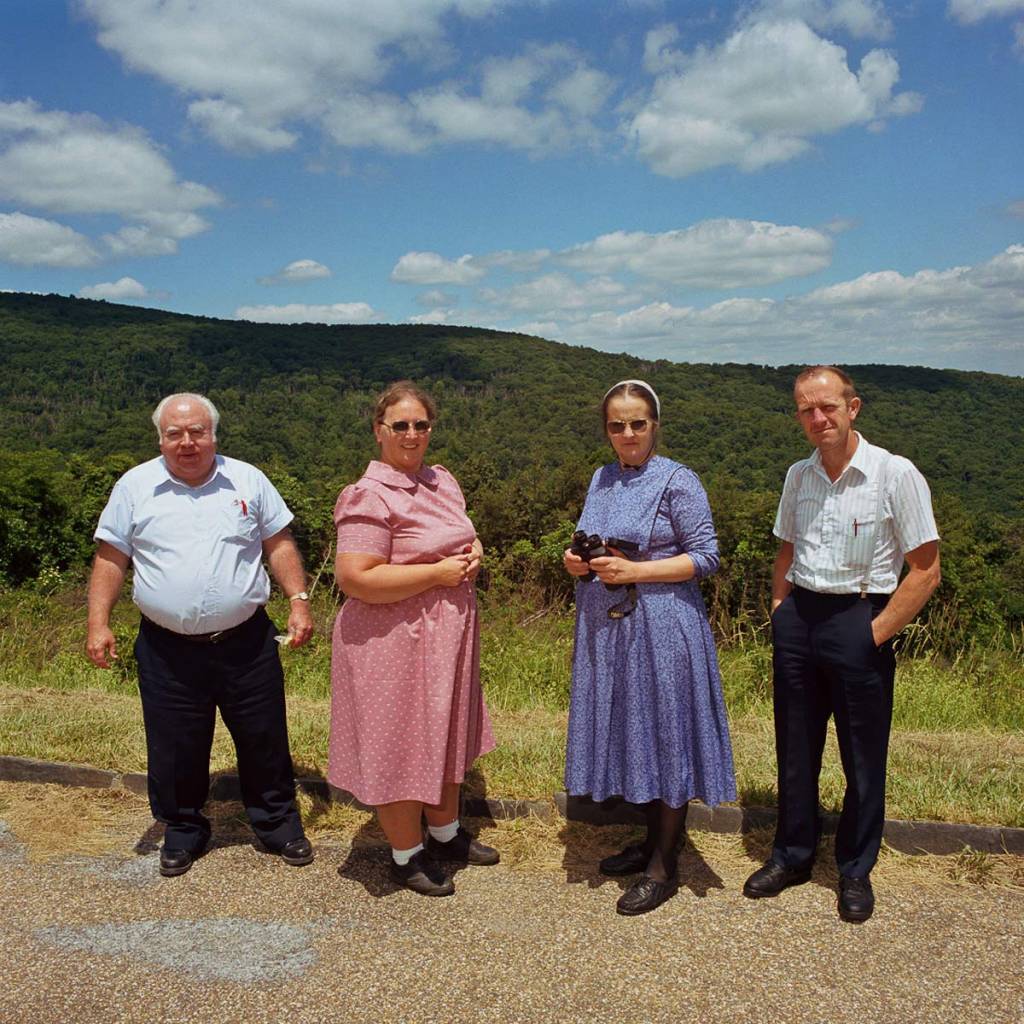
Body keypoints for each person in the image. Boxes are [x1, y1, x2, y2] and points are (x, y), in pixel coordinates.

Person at [85, 392, 315, 877]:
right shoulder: (134, 486)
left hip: (247, 642)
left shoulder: (248, 479)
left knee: (264, 738)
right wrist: (98, 622)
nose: (187, 442)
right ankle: (184, 829)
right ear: (160, 438)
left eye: (197, 432)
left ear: (213, 433)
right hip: (167, 649)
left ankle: (277, 826)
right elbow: (111, 557)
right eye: (175, 434)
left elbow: (278, 542)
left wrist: (298, 599)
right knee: (174, 745)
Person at [743, 366, 940, 922]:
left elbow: (925, 570)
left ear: (853, 407)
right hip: (801, 616)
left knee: (862, 757)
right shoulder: (798, 476)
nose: (817, 418)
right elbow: (785, 550)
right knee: (795, 749)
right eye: (806, 409)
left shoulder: (894, 474)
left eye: (827, 406)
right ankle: (793, 855)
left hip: (861, 614)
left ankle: (855, 869)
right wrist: (781, 611)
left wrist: (873, 633)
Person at [563, 379, 736, 916]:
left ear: (654, 425)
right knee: (633, 732)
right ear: (606, 430)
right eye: (617, 424)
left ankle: (663, 864)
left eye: (638, 422)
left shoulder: (679, 481)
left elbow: (705, 557)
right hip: (610, 627)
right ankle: (651, 842)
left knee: (664, 733)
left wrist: (637, 570)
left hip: (663, 627)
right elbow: (590, 537)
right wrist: (577, 561)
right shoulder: (602, 478)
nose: (628, 432)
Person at [328, 381, 497, 897]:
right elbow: (355, 577)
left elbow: (459, 537)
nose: (411, 433)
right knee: (400, 742)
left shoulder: (441, 481)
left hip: (445, 635)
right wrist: (438, 574)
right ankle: (406, 855)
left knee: (444, 732)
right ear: (379, 431)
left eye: (421, 424)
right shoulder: (368, 495)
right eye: (399, 425)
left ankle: (444, 833)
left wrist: (473, 555)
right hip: (391, 642)